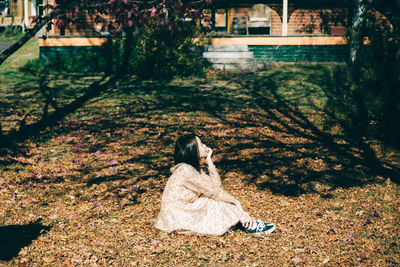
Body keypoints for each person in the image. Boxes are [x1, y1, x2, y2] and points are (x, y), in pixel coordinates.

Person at [155, 134, 275, 236]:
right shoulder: (186, 171)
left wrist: (209, 160)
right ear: (193, 150)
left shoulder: (191, 169)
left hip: (181, 210)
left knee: (212, 199)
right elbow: (214, 191)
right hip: (177, 213)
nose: (205, 146)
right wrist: (234, 201)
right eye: (201, 144)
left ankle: (247, 221)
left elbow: (216, 185)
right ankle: (249, 224)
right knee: (212, 200)